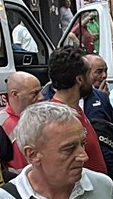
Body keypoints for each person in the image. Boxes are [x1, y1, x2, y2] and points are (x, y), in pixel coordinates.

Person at [46, 46, 108, 174]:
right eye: (88, 73)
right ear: (79, 79)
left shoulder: (75, 109)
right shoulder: (57, 120)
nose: (91, 78)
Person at [0, 70, 42, 173]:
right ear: (15, 94)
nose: (41, 97)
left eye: (40, 92)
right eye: (35, 93)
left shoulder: (40, 117)